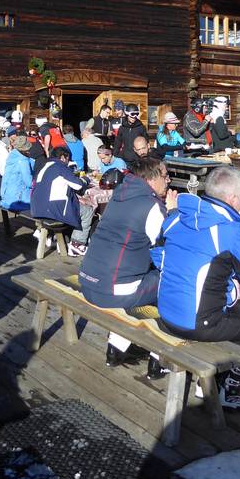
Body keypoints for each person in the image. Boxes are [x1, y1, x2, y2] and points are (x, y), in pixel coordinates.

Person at [156, 165, 240, 409]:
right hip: (197, 323)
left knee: (234, 309)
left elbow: (159, 255)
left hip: (166, 313)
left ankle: (220, 379)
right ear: (232, 198)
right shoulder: (228, 229)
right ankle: (234, 387)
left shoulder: (177, 217)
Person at [79, 157, 177, 367]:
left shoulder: (119, 196)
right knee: (174, 281)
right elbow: (169, 251)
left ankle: (117, 348)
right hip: (112, 291)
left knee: (142, 273)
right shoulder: (151, 206)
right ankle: (159, 359)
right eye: (165, 175)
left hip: (88, 281)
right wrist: (173, 213)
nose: (168, 180)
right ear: (151, 179)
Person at [30, 146, 95, 257]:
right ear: (63, 157)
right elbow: (78, 185)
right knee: (87, 211)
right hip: (52, 210)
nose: (68, 162)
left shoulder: (44, 166)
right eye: (68, 159)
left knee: (77, 205)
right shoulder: (61, 167)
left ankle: (55, 237)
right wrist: (87, 179)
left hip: (36, 208)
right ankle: (77, 244)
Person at [0, 135, 35, 211]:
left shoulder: (12, 156)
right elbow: (29, 182)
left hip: (6, 195)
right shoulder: (23, 161)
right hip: (18, 199)